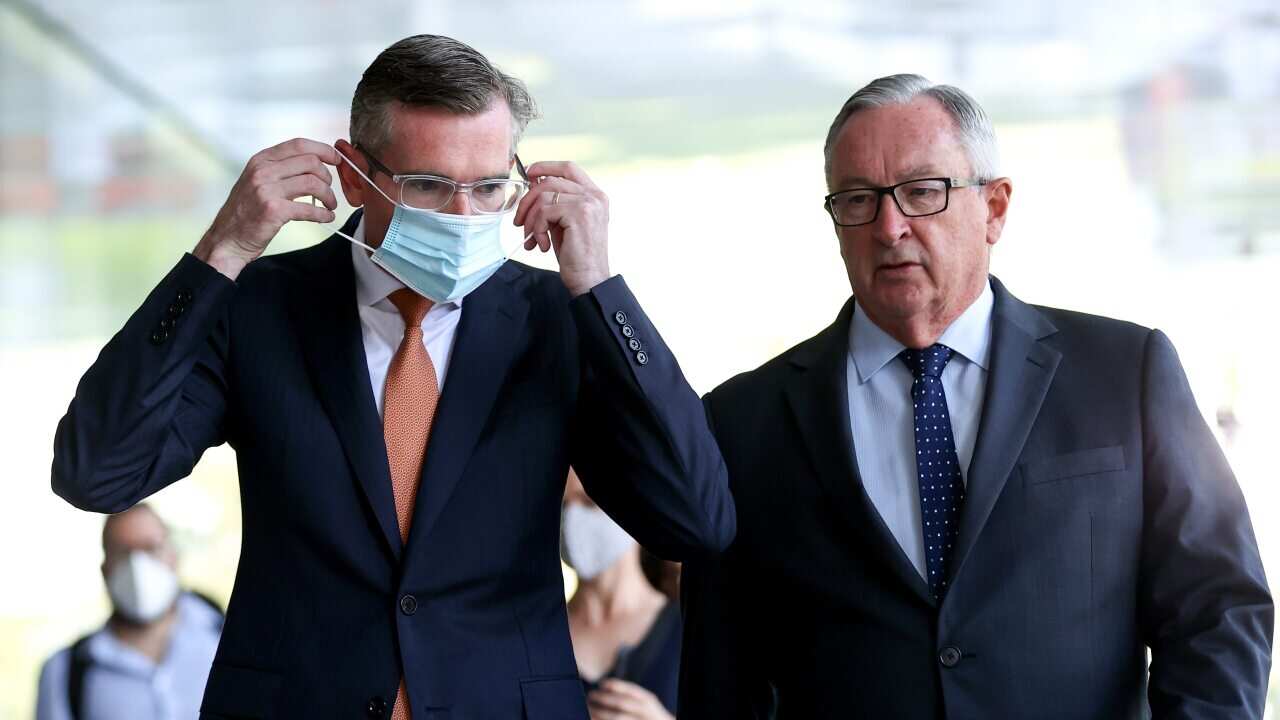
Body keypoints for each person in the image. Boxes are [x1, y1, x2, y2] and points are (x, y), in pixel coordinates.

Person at [51, 35, 734, 719]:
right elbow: (97, 472)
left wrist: (601, 286)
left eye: (491, 186)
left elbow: (697, 520)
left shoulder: (557, 322)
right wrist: (219, 251)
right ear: (355, 177)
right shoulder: (260, 307)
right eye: (431, 185)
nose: (465, 217)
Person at [679, 74, 1273, 718]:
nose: (889, 226)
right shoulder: (743, 421)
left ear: (994, 208)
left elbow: (1218, 606)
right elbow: (721, 678)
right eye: (857, 199)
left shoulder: (1124, 372)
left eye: (922, 192)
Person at [35, 504, 222, 720]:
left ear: (173, 557)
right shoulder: (64, 673)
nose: (137, 566)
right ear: (105, 571)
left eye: (151, 548)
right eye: (122, 553)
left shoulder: (227, 639)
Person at [562, 469, 680, 720]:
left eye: (589, 502)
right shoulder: (534, 634)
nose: (572, 518)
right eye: (562, 507)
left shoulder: (690, 631)